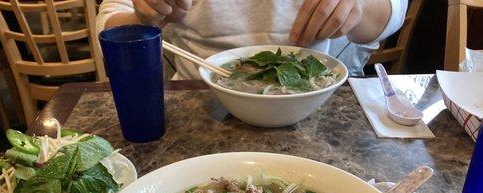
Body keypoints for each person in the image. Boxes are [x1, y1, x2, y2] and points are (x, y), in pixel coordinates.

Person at [96, 0, 408, 78]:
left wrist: (359, 7)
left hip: (308, 97)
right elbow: (109, 19)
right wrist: (142, 15)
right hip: (198, 97)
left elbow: (391, 15)